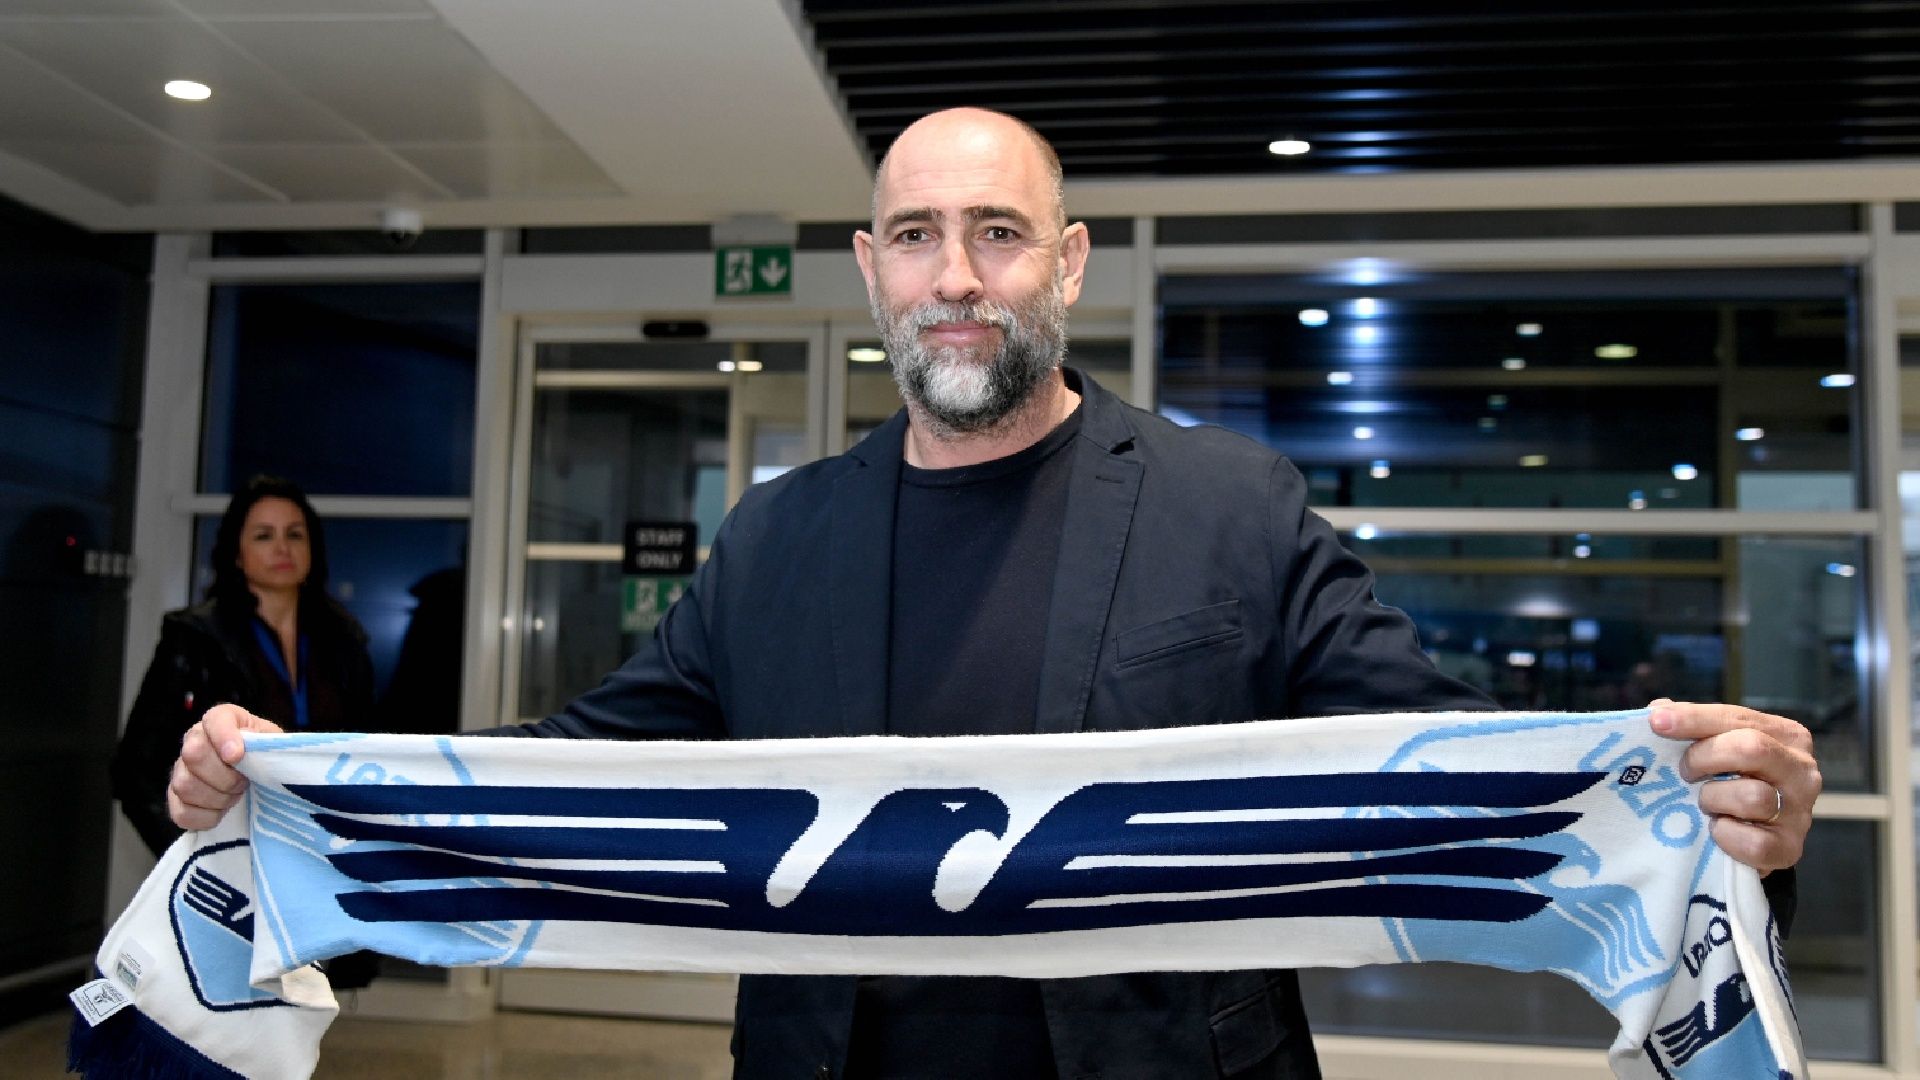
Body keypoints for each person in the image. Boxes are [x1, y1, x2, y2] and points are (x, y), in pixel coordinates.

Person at [168, 109, 1823, 1078]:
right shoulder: (777, 539)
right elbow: (581, 773)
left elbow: (1439, 759)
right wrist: (290, 797)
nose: (955, 277)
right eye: (915, 237)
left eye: (997, 235)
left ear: (1069, 261)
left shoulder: (1228, 506)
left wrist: (1685, 804)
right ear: (871, 270)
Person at [113, 476, 382, 987]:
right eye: (263, 535)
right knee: (227, 1006)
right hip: (230, 857)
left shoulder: (344, 640)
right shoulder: (196, 637)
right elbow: (135, 770)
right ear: (236, 554)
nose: (282, 547)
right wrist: (201, 862)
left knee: (312, 1010)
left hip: (320, 859)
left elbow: (365, 750)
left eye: (295, 534)